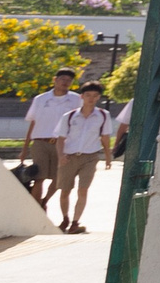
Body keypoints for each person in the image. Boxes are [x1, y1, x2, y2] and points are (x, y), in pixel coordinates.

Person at [55, 81, 115, 234]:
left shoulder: (102, 115)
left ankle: (75, 222)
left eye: (95, 96)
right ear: (82, 96)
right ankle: (65, 218)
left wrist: (108, 156)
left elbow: (105, 137)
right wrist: (61, 155)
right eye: (88, 95)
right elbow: (60, 138)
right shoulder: (69, 116)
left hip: (90, 156)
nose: (91, 98)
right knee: (65, 190)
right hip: (69, 156)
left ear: (98, 97)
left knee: (83, 190)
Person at [21, 68, 81, 218]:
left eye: (69, 81)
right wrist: (25, 148)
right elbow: (33, 123)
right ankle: (36, 211)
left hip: (63, 144)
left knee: (58, 178)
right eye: (62, 79)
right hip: (41, 142)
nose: (65, 83)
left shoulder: (76, 99)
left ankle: (44, 201)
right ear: (55, 80)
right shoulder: (41, 99)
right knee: (39, 177)